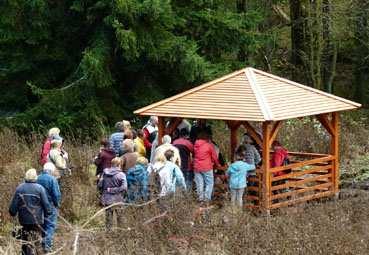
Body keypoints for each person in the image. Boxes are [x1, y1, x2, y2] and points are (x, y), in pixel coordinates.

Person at [9, 168, 52, 255]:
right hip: (37, 220)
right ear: (36, 177)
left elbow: (12, 209)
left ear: (26, 177)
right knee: (37, 242)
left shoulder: (19, 188)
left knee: (25, 242)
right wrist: (48, 212)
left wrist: (13, 213)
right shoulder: (40, 189)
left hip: (24, 221)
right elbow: (47, 206)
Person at [37, 163, 61, 253]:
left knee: (42, 225)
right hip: (50, 205)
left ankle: (42, 243)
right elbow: (56, 194)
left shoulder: (37, 177)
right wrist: (57, 204)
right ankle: (47, 247)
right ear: (51, 170)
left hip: (38, 206)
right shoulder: (52, 179)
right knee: (50, 225)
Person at [98, 158, 127, 230]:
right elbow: (124, 187)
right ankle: (120, 233)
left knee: (108, 217)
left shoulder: (105, 173)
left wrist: (106, 190)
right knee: (120, 217)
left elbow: (99, 185)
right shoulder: (121, 174)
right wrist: (114, 190)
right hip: (118, 199)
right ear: (119, 164)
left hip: (107, 198)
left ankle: (108, 233)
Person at [193, 130, 222, 202]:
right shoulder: (209, 145)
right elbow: (214, 157)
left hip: (197, 167)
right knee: (209, 183)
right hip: (207, 167)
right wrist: (217, 164)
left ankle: (200, 199)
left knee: (199, 183)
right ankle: (206, 199)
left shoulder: (195, 145)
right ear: (206, 138)